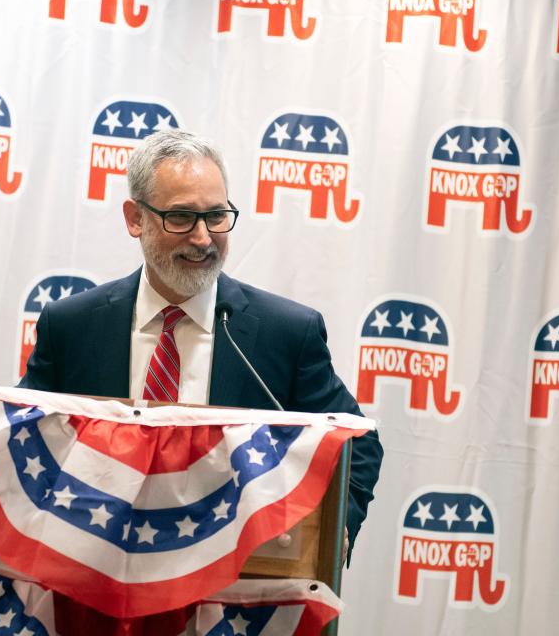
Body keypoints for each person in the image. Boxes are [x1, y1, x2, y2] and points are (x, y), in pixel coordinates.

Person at [19, 129, 382, 555]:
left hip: (230, 582)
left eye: (216, 216)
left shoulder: (285, 333)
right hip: (94, 567)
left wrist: (330, 533)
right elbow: (23, 437)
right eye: (181, 217)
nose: (203, 237)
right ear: (135, 218)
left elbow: (356, 442)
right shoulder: (73, 327)